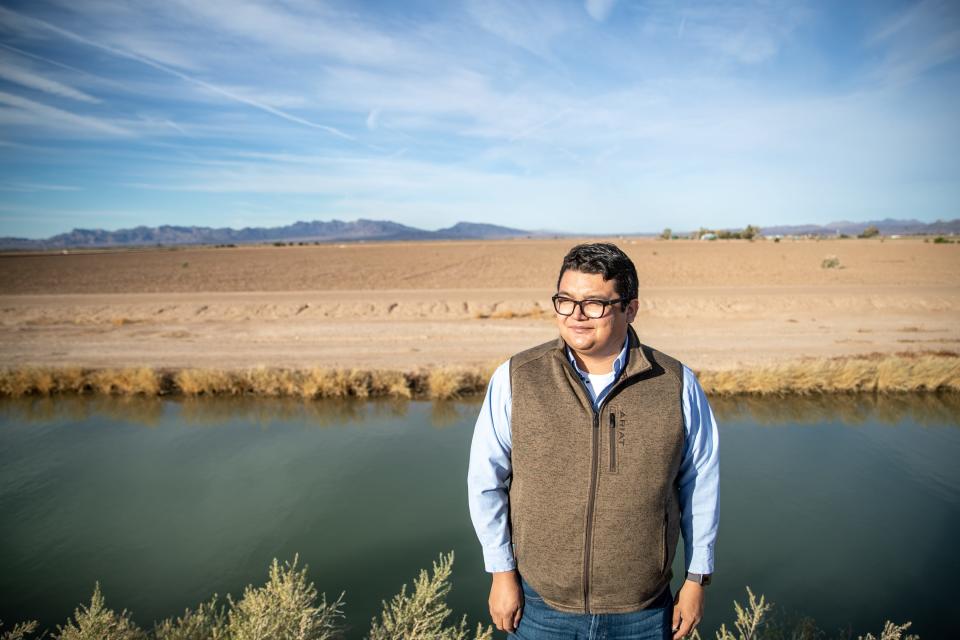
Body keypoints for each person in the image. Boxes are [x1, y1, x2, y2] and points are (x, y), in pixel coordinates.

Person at [467, 242, 720, 640]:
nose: (576, 316)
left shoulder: (676, 384)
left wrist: (696, 579)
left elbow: (700, 486)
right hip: (540, 607)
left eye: (594, 304)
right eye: (565, 301)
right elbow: (486, 481)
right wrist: (501, 572)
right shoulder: (517, 377)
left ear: (630, 309)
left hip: (645, 613)